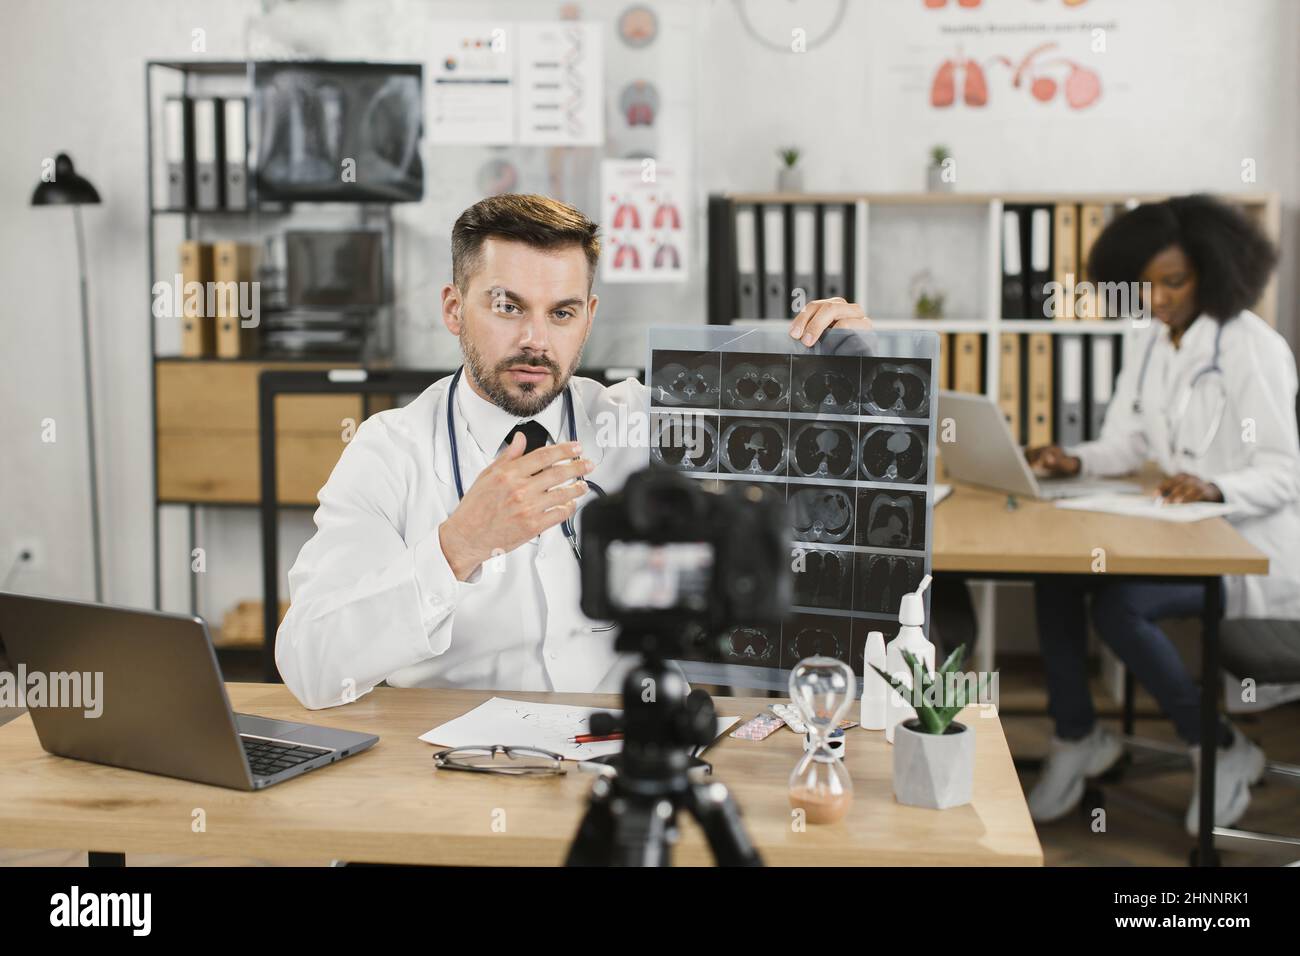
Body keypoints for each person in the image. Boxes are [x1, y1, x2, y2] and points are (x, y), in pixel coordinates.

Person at [275, 194, 871, 709]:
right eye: (508, 307)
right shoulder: (391, 451)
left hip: (619, 756)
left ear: (587, 320)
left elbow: (821, 478)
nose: (535, 341)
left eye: (561, 313)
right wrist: (457, 546)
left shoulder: (641, 422)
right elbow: (309, 665)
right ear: (455, 310)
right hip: (452, 771)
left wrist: (858, 372)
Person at [1024, 195, 1299, 834]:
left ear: (1214, 269)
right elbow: (1130, 443)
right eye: (1145, 285)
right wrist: (1075, 461)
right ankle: (1077, 735)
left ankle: (1222, 746)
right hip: (1175, 535)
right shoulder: (1150, 343)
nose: (1159, 298)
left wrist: (1212, 486)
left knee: (1123, 607)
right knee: (1056, 577)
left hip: (1244, 544)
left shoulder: (1251, 347)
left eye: (1174, 282)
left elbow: (1283, 471)